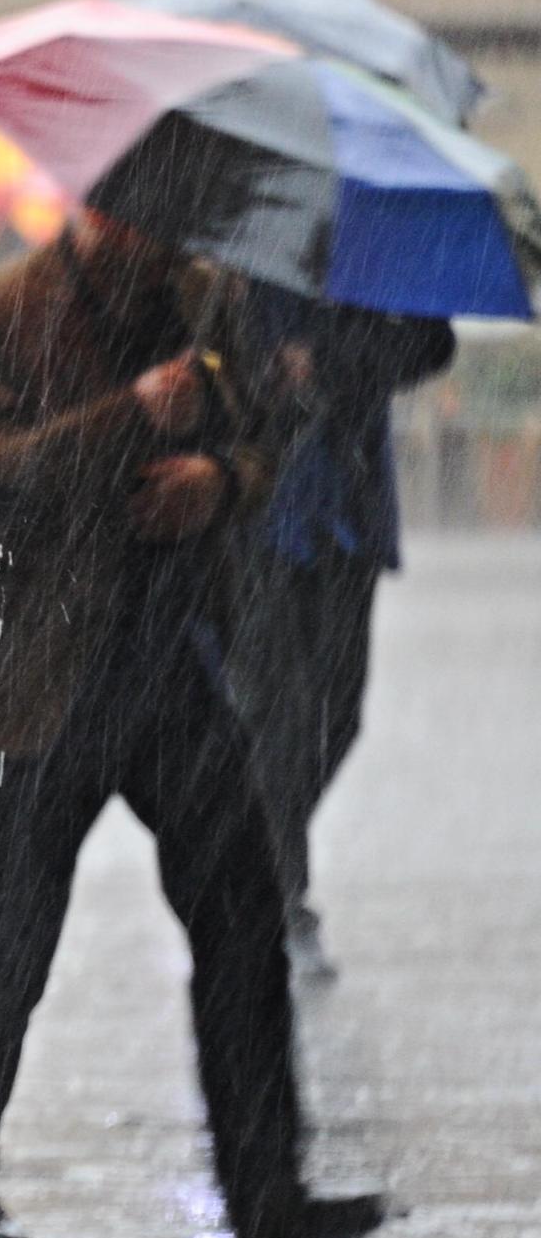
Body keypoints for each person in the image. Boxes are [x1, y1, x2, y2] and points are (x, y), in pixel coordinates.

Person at [0, 213, 387, 1238]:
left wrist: (219, 482)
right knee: (12, 933)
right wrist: (128, 416)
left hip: (172, 670)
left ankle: (266, 1187)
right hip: (40, 676)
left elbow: (262, 435)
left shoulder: (205, 302)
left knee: (243, 917)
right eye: (131, 211)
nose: (152, 235)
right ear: (89, 205)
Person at [225, 295, 458, 980]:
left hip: (346, 514)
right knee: (279, 712)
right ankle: (285, 895)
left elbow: (429, 343)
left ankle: (259, 859)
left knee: (338, 714)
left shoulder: (372, 255)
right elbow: (204, 351)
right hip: (260, 514)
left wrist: (328, 360)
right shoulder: (245, 252)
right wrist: (265, 371)